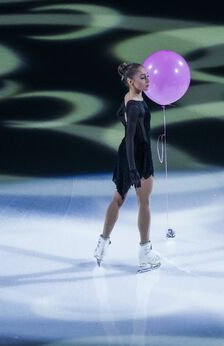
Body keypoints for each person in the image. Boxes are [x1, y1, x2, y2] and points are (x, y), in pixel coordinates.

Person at [93, 62, 161, 273]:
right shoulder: (134, 105)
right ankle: (144, 253)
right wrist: (133, 168)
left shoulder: (130, 98)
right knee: (144, 202)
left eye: (148, 76)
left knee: (118, 198)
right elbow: (131, 138)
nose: (148, 80)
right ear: (131, 81)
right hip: (137, 155)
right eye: (143, 77)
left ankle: (102, 246)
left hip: (127, 154)